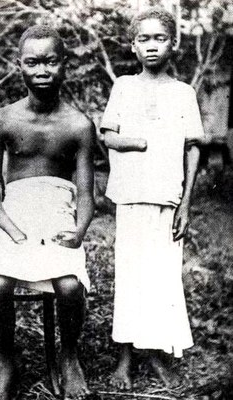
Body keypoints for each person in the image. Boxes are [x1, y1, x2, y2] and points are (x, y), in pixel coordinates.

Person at [0, 25, 95, 400]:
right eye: (33, 62)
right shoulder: (2, 120)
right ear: (19, 66)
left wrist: (78, 231)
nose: (42, 69)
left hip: (59, 212)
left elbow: (86, 195)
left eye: (50, 61)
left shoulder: (79, 125)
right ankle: (7, 360)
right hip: (15, 214)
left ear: (64, 66)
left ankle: (68, 354)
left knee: (69, 285)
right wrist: (13, 232)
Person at [100, 7, 204, 390]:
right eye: (143, 39)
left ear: (173, 44)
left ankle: (156, 351)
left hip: (168, 199)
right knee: (131, 273)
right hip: (131, 197)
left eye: (159, 38)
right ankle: (125, 358)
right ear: (133, 45)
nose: (152, 46)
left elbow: (194, 148)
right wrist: (138, 141)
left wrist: (187, 204)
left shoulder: (183, 94)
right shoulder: (124, 87)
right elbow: (106, 135)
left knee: (161, 276)